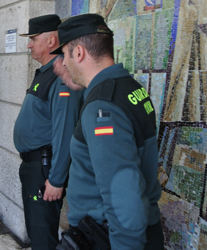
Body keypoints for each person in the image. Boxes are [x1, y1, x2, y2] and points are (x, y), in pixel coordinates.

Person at [52, 14, 164, 249]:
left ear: (79, 53)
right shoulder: (130, 88)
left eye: (64, 55)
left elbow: (124, 193)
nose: (63, 63)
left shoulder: (103, 106)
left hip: (107, 237)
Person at [12, 15, 84, 250]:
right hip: (34, 167)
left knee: (43, 238)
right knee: (36, 231)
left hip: (45, 169)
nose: (29, 44)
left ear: (52, 40)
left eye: (33, 38)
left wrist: (56, 179)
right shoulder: (46, 72)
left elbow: (64, 132)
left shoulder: (62, 75)